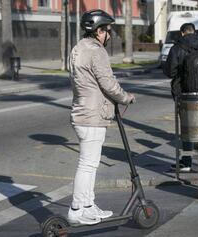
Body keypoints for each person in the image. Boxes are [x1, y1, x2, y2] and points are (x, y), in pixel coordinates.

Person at [67, 9, 135, 225]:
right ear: (98, 30)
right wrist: (126, 97)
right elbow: (107, 82)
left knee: (90, 163)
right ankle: (77, 209)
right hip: (92, 115)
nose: (109, 34)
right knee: (87, 164)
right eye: (107, 29)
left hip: (82, 111)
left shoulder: (78, 48)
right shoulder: (97, 51)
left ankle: (88, 205)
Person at [163, 23, 198, 172]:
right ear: (194, 32)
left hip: (184, 94)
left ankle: (187, 162)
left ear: (182, 33)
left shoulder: (177, 48)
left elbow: (170, 72)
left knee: (187, 128)